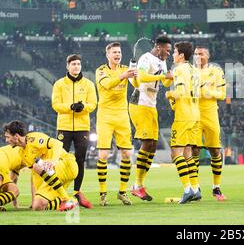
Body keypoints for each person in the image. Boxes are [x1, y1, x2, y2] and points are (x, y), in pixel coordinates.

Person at [95, 42, 168, 206]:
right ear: (107, 55)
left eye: (119, 52)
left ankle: (122, 192)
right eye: (114, 52)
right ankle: (102, 193)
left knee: (127, 154)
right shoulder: (101, 70)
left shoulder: (125, 68)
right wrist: (124, 75)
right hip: (105, 116)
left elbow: (136, 84)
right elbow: (107, 84)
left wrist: (133, 75)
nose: (117, 54)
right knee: (104, 156)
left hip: (122, 115)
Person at [129, 36, 173, 201]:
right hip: (139, 103)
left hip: (151, 104)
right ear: (159, 47)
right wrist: (163, 77)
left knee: (153, 145)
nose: (168, 54)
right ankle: (137, 185)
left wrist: (170, 77)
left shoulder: (162, 61)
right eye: (167, 50)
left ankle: (139, 184)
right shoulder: (145, 58)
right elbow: (141, 78)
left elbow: (166, 83)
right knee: (147, 142)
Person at [51, 54, 97, 209]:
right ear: (67, 66)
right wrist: (70, 106)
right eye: (73, 64)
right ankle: (60, 193)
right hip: (63, 127)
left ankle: (77, 192)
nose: (76, 66)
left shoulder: (89, 84)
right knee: (59, 161)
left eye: (78, 64)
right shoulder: (59, 84)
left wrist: (83, 107)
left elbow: (93, 104)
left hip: (82, 127)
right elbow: (55, 104)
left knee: (80, 160)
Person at [3, 120, 78, 211]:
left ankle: (66, 199)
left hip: (66, 164)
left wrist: (53, 161)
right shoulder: (22, 153)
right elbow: (36, 175)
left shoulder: (34, 138)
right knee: (38, 206)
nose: (6, 140)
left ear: (16, 136)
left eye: (7, 137)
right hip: (53, 176)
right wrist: (38, 193)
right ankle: (72, 201)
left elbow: (58, 143)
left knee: (39, 165)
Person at [165, 41, 201, 204]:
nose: (172, 54)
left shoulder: (178, 69)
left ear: (181, 55)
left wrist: (169, 94)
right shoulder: (194, 70)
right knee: (188, 153)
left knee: (176, 152)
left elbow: (179, 92)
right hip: (195, 114)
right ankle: (195, 188)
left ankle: (187, 190)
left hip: (183, 116)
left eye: (174, 52)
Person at [192, 46, 227, 201]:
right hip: (193, 115)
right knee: (194, 151)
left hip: (211, 115)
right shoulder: (189, 72)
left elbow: (223, 94)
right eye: (196, 54)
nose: (198, 56)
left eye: (201, 54)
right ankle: (195, 187)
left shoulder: (217, 72)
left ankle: (216, 188)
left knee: (215, 151)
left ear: (208, 55)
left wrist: (209, 93)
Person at [0, 145, 24, 211]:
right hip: (2, 163)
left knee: (15, 190)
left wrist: (15, 204)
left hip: (4, 167)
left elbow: (13, 179)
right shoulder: (26, 155)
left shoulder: (18, 161)